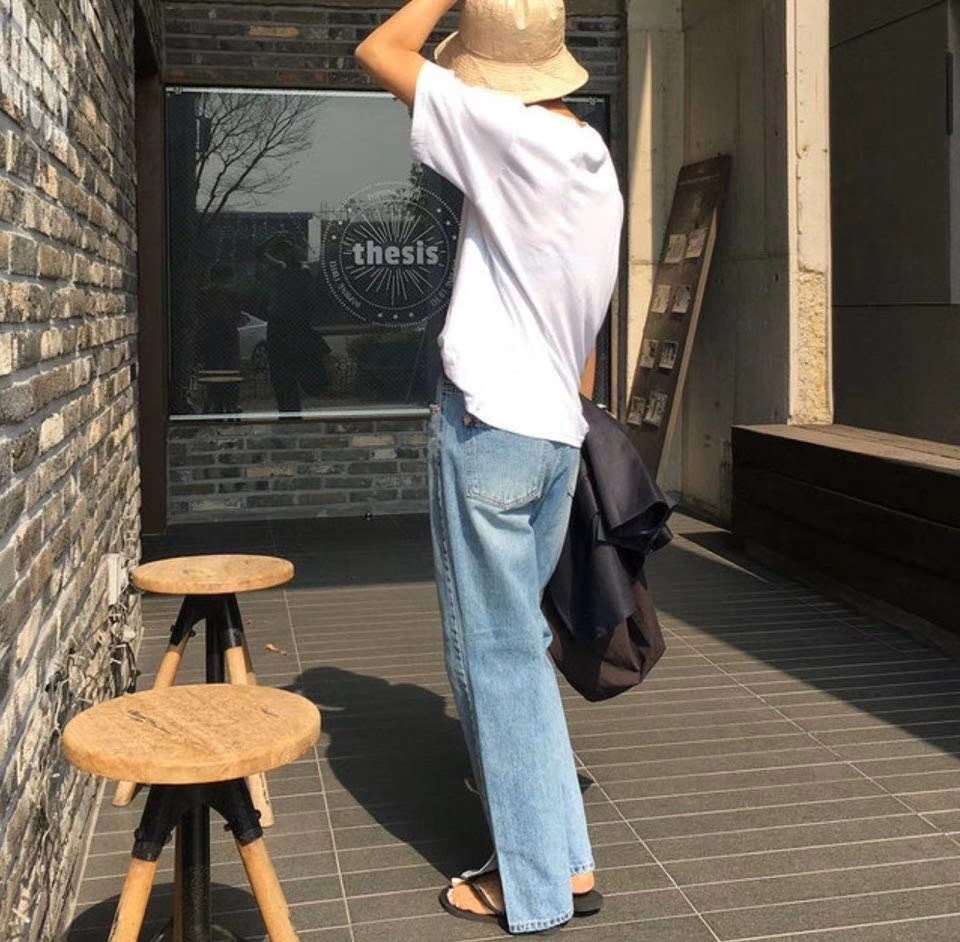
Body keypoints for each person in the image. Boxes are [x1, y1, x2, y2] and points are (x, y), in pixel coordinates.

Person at [356, 0, 624, 934]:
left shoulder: (501, 133)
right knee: (520, 652)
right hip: (554, 432)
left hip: (491, 430)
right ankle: (569, 867)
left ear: (488, 75)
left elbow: (380, 50)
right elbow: (585, 330)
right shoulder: (592, 159)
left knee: (495, 658)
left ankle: (533, 887)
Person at [195, 262, 244, 414]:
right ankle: (232, 402)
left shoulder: (204, 294)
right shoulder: (232, 293)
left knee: (212, 370)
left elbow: (200, 315)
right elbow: (237, 314)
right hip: (228, 335)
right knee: (230, 369)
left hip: (210, 336)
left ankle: (214, 402)